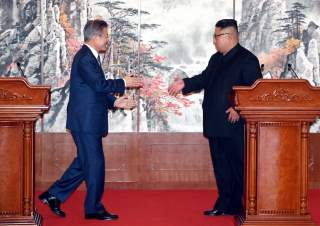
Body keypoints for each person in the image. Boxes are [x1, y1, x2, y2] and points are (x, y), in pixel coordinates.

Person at [39, 19, 143, 220]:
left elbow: (95, 90)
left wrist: (115, 103)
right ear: (96, 37)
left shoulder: (89, 57)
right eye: (106, 36)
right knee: (94, 164)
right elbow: (99, 84)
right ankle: (93, 208)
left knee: (84, 162)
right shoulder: (86, 57)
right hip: (85, 122)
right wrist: (123, 82)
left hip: (86, 122)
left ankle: (53, 195)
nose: (108, 40)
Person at [168, 19, 262, 216]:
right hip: (214, 122)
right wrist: (184, 83)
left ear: (228, 37)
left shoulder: (247, 59)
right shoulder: (216, 59)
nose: (214, 41)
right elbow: (204, 78)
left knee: (239, 167)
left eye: (216, 36)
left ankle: (248, 207)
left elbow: (255, 91)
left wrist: (238, 107)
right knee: (221, 166)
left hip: (234, 124)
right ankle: (225, 205)